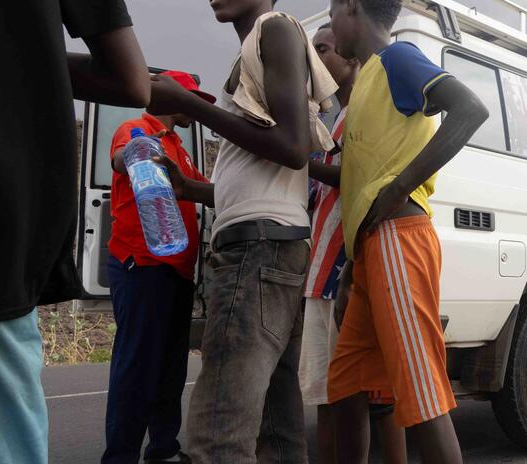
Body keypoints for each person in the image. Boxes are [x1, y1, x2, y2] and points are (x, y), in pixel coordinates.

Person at [147, 0, 338, 461]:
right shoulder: (260, 46)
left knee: (219, 433)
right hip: (270, 247)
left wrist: (187, 103)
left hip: (257, 253)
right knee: (276, 432)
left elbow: (292, 149)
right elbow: (262, 177)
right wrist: (189, 188)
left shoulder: (274, 29)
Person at [325, 0, 489, 462]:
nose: (329, 24)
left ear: (353, 7)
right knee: (347, 385)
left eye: (332, 11)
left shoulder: (397, 58)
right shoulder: (367, 82)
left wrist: (400, 187)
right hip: (370, 252)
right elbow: (361, 180)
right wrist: (353, 268)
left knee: (421, 394)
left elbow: (470, 110)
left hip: (399, 239)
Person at [0, 2, 149, 463]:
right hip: (12, 238)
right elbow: (133, 81)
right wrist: (33, 61)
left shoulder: (168, 148)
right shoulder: (134, 138)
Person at [301, 23, 407, 464]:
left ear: (349, 57)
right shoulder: (331, 120)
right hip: (323, 270)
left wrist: (298, 159)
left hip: (347, 268)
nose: (316, 58)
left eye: (322, 48)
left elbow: (356, 179)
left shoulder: (362, 115)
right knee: (332, 396)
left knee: (375, 399)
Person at [100, 71, 215, 464]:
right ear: (170, 98)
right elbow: (120, 158)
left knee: (169, 367)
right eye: (191, 99)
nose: (195, 108)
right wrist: (136, 154)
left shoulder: (179, 148)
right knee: (137, 366)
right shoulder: (136, 129)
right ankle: (121, 455)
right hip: (142, 264)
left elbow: (205, 189)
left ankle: (163, 449)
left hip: (177, 270)